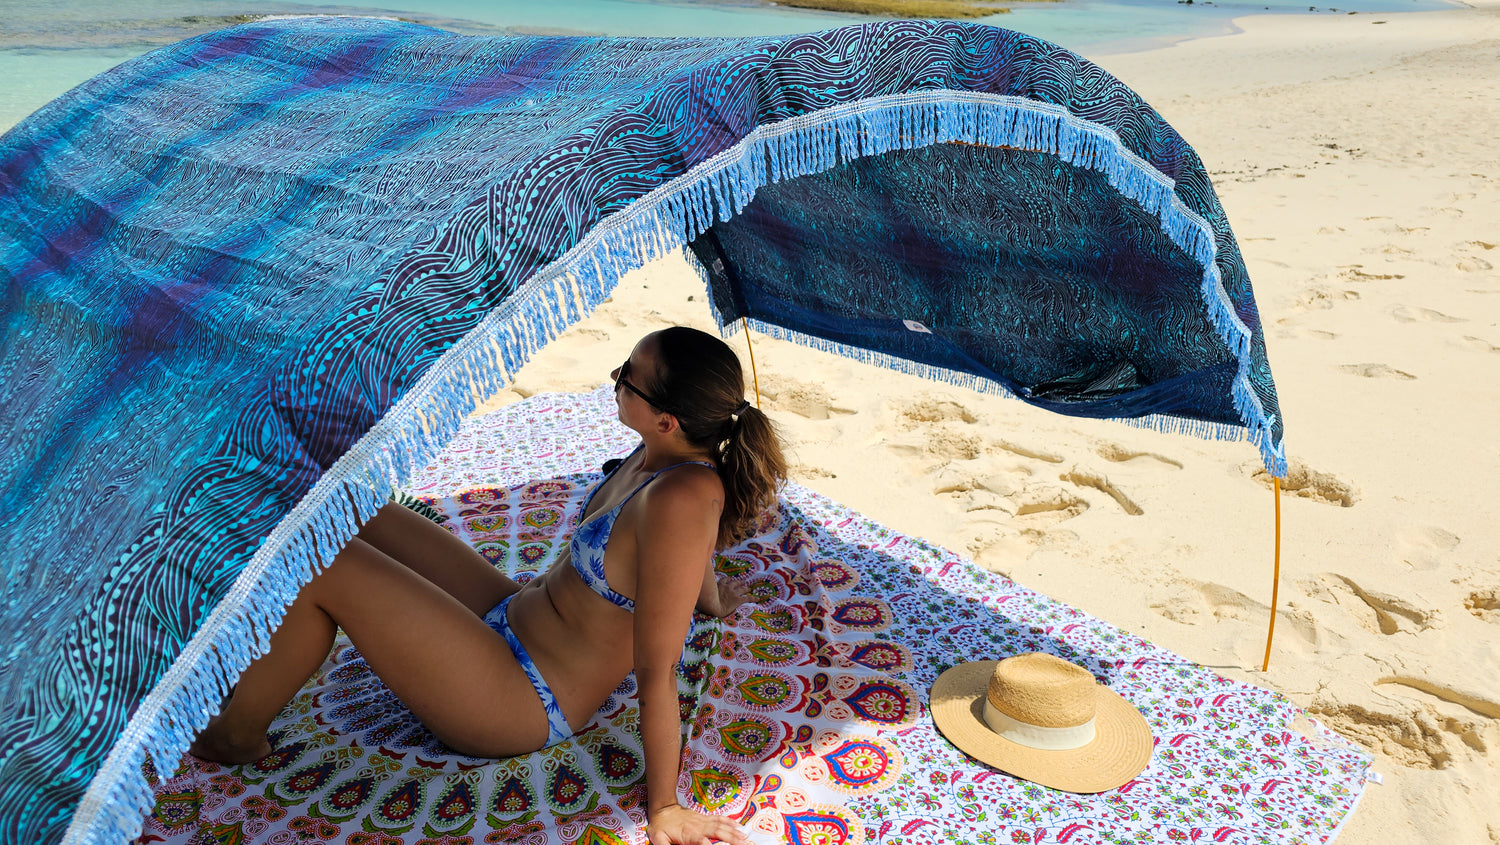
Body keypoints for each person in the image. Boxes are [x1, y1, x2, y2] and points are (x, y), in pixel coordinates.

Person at [190, 326, 786, 845]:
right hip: (512, 613)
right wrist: (711, 597)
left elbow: (657, 669)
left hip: (524, 697)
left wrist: (664, 807)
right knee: (347, 504)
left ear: (667, 417)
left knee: (326, 562)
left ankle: (234, 737)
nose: (615, 378)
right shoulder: (660, 447)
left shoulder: (685, 495)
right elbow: (680, 560)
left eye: (627, 376)